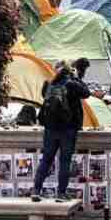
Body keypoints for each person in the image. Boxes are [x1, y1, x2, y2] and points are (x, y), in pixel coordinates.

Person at [33, 61, 92, 202]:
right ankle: (61, 193)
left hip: (50, 128)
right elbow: (87, 93)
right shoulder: (72, 83)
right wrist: (76, 77)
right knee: (65, 161)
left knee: (46, 159)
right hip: (68, 129)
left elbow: (45, 99)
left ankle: (36, 190)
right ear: (69, 71)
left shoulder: (49, 84)